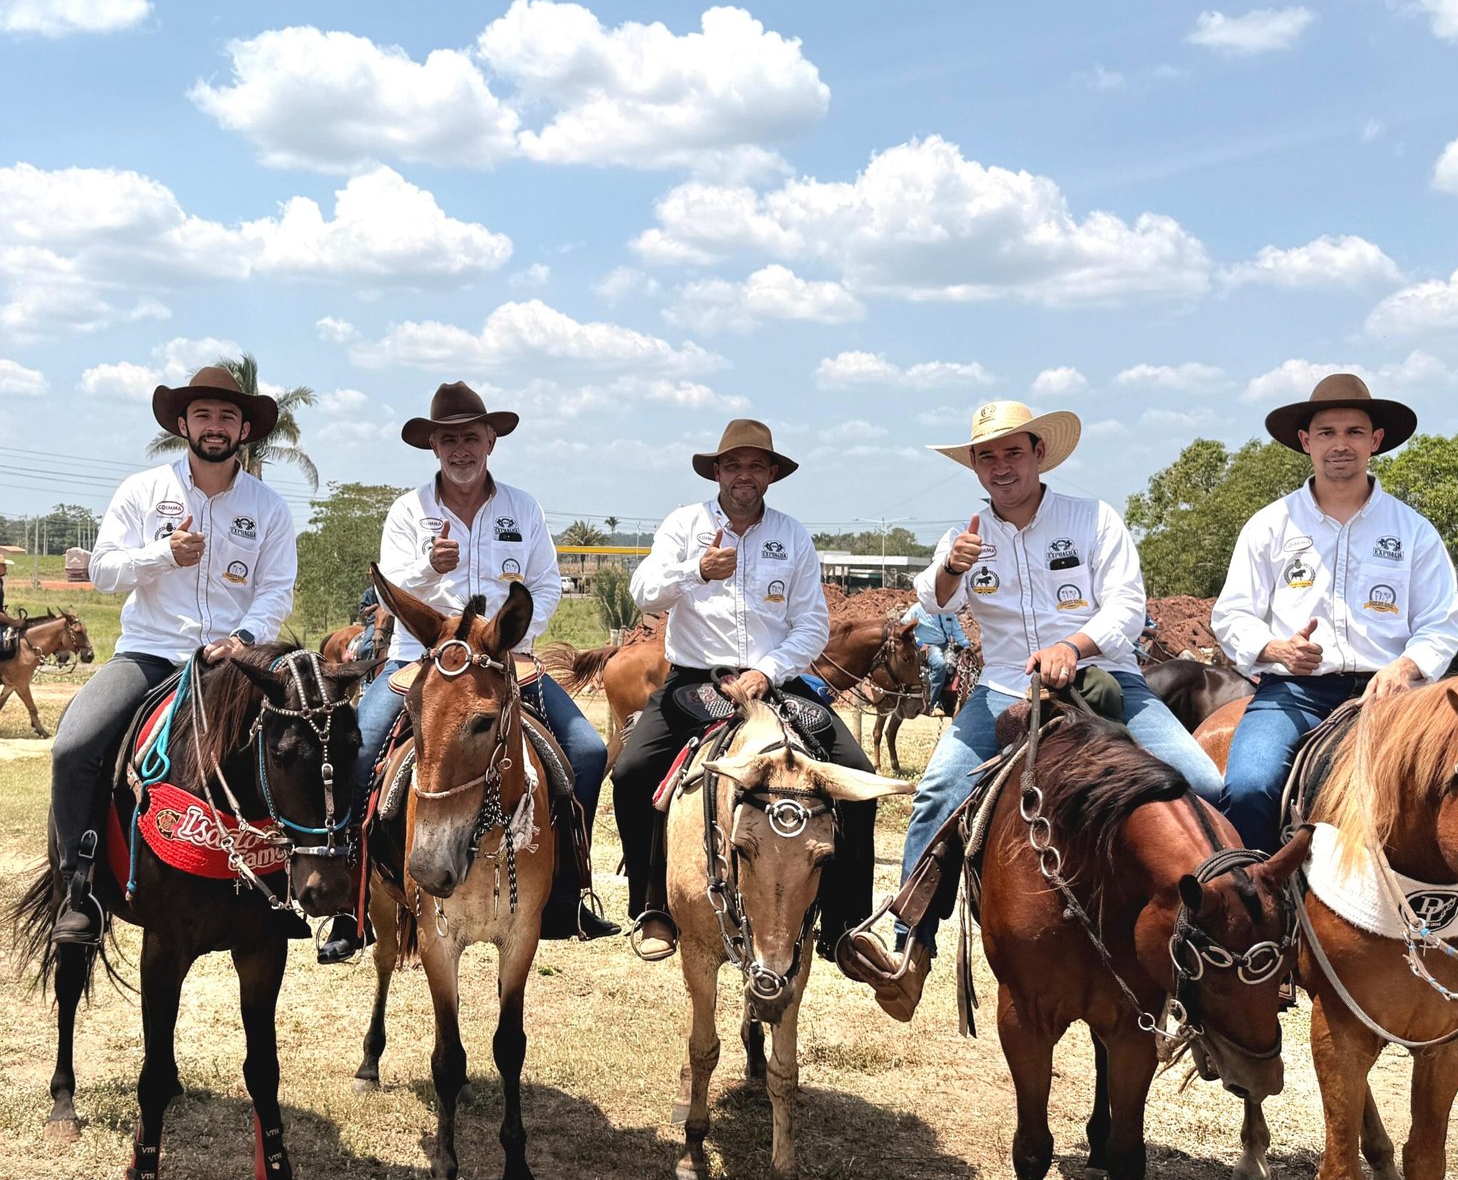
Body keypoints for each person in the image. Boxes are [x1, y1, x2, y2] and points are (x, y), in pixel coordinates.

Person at [849, 400, 1224, 1021]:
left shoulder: (1092, 519)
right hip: (1002, 688)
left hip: (1108, 679)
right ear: (973, 466)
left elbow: (1127, 608)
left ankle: (1223, 946)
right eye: (987, 456)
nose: (1001, 467)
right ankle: (908, 944)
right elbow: (931, 600)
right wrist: (950, 570)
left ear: (1039, 455)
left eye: (1013, 453)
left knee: (1208, 783)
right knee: (939, 788)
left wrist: (1072, 646)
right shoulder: (965, 536)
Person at [327, 381, 617, 957]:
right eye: (449, 439)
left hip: (504, 659)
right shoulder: (409, 511)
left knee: (585, 750)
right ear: (434, 447)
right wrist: (429, 571)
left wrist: (504, 643)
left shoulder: (522, 508)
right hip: (423, 662)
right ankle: (350, 903)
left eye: (471, 437)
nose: (461, 449)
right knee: (356, 753)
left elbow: (545, 586)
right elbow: (387, 598)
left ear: (490, 441)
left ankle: (563, 894)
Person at [610, 419, 878, 961]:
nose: (744, 475)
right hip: (695, 680)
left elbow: (811, 625)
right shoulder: (684, 525)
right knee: (632, 771)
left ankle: (845, 924)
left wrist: (768, 671)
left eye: (756, 465)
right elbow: (644, 594)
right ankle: (653, 906)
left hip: (772, 683)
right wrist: (694, 571)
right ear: (716, 472)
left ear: (772, 475)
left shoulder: (793, 535)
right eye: (733, 465)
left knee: (858, 777)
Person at [49, 364, 295, 944]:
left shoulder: (269, 507)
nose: (215, 426)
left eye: (227, 416)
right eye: (204, 415)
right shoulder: (142, 491)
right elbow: (104, 571)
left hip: (234, 665)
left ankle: (305, 882)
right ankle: (77, 888)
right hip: (151, 656)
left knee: (310, 738)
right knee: (73, 746)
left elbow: (276, 589)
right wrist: (162, 554)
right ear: (183, 422)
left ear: (244, 429)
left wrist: (247, 639)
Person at [1209, 374, 1458, 853]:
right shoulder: (1269, 525)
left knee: (1452, 793)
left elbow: (1441, 623)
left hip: (1392, 697)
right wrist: (1275, 648)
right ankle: (1258, 910)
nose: (1340, 445)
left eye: (1353, 432)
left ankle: (1446, 920)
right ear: (1306, 442)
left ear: (1376, 441)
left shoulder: (1413, 531)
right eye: (1326, 433)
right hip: (1295, 690)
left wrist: (1405, 667)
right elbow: (1232, 614)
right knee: (1248, 786)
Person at [902, 600, 970, 709]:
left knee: (965, 664)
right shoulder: (918, 609)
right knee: (940, 664)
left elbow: (957, 631)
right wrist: (919, 642)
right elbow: (904, 628)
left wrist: (967, 645)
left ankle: (949, 701)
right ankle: (931, 703)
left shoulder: (948, 610)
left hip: (947, 645)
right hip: (929, 646)